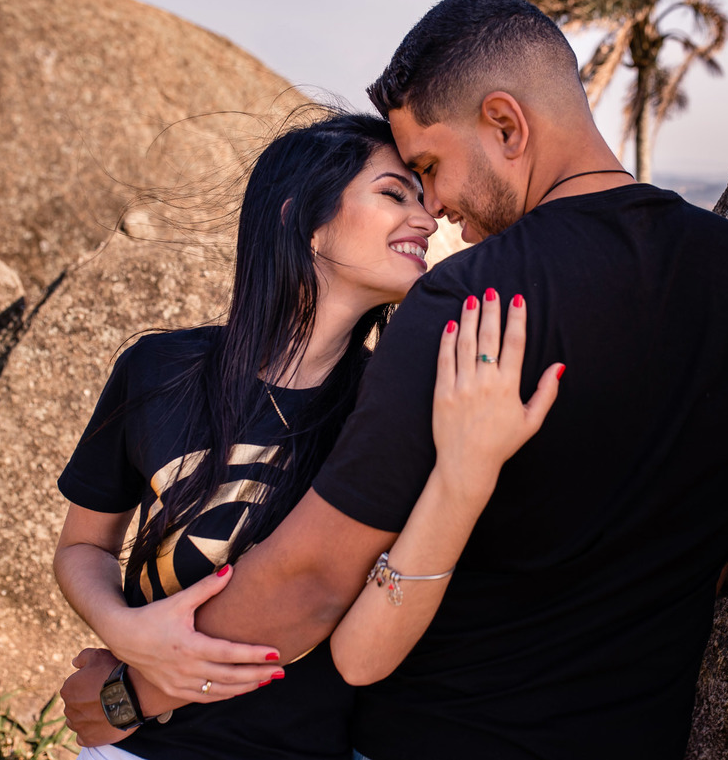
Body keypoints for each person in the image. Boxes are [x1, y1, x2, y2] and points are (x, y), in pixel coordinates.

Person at [62, 0, 728, 759]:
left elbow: (314, 580)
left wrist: (134, 692)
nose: (441, 209)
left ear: (505, 124)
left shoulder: (473, 304)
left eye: (429, 167)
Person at [54, 110, 562, 759]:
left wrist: (131, 691)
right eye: (393, 193)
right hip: (126, 750)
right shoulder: (157, 369)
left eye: (423, 196)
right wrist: (125, 632)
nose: (427, 218)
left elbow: (337, 608)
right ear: (303, 219)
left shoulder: (392, 413)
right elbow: (83, 546)